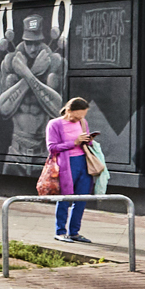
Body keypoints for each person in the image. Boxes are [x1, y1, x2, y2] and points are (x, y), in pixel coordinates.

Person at [46, 97, 98, 242]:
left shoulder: (83, 122)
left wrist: (88, 140)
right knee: (65, 198)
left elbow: (86, 142)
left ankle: (74, 232)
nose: (79, 119)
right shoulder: (54, 124)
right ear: (68, 110)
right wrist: (73, 143)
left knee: (81, 198)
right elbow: (52, 148)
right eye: (76, 116)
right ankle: (60, 231)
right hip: (66, 164)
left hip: (83, 162)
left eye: (82, 116)